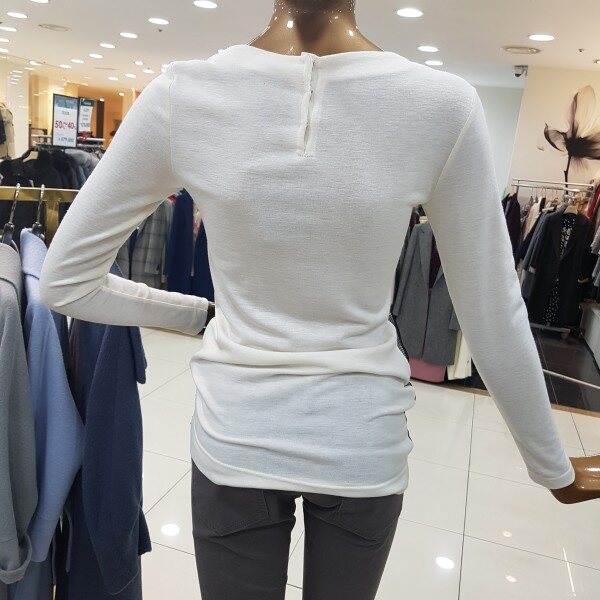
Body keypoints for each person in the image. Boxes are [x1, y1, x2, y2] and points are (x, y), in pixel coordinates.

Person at [39, 1, 600, 598]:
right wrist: (552, 467)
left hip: (238, 436)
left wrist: (200, 315)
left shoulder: (182, 96)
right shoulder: (441, 104)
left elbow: (66, 280)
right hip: (361, 442)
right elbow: (490, 306)